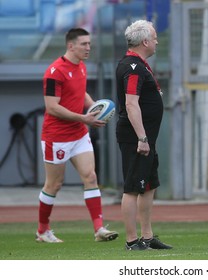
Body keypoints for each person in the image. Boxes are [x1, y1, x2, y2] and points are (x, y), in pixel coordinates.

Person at [37, 28, 118, 243]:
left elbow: (80, 92)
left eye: (89, 44)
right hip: (56, 136)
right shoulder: (54, 72)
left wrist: (94, 107)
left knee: (91, 177)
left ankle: (99, 229)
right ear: (70, 45)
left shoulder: (81, 67)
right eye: (84, 44)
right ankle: (42, 231)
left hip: (79, 134)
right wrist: (84, 118)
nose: (88, 48)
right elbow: (52, 107)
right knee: (54, 184)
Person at [115, 20, 172, 251]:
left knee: (148, 185)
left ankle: (147, 237)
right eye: (155, 37)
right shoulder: (133, 67)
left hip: (146, 138)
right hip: (137, 139)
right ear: (145, 41)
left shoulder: (139, 64)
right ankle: (131, 241)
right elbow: (131, 104)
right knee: (132, 187)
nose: (157, 41)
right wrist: (142, 138)